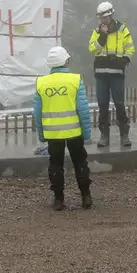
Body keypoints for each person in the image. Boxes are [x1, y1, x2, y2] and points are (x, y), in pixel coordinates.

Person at [33, 46, 93, 211]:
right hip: (74, 132)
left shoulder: (41, 82)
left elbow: (37, 113)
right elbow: (83, 109)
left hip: (53, 133)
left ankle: (58, 199)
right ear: (66, 61)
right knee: (80, 162)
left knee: (55, 165)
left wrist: (42, 134)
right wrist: (86, 132)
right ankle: (85, 197)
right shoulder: (75, 80)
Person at [88, 1, 136, 148]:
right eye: (101, 19)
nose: (104, 21)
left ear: (111, 15)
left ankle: (124, 134)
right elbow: (92, 49)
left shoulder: (122, 29)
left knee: (120, 104)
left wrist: (126, 59)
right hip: (101, 74)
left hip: (117, 74)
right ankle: (104, 136)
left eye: (106, 18)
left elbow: (130, 48)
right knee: (102, 105)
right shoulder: (97, 31)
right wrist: (102, 37)